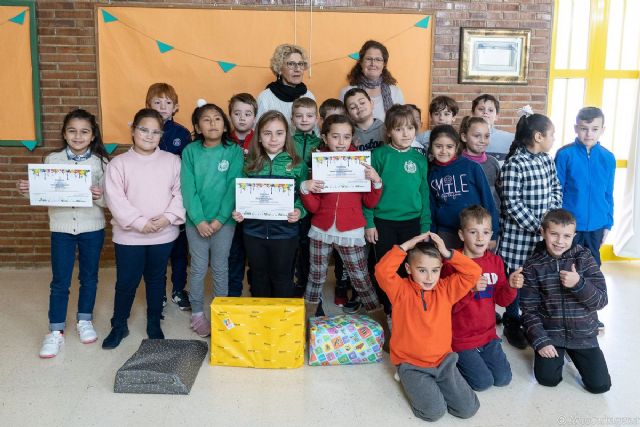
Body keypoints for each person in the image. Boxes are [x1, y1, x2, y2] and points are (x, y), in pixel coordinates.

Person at [17, 109, 109, 358]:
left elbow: (111, 201)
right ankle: (55, 330)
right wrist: (27, 188)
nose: (78, 136)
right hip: (61, 229)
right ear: (64, 134)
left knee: (89, 277)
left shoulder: (101, 163)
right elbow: (43, 193)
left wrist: (101, 197)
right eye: (72, 131)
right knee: (60, 281)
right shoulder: (52, 160)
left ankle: (84, 319)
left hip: (92, 228)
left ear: (92, 136)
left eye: (84, 131)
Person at [300, 114, 390, 346]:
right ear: (325, 137)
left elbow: (370, 202)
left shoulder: (360, 162)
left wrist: (376, 180)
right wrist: (306, 189)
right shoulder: (319, 161)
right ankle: (302, 330)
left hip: (350, 229)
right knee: (316, 277)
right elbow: (314, 206)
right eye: (335, 136)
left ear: (353, 137)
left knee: (361, 278)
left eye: (346, 136)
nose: (340, 141)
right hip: (321, 227)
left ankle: (382, 331)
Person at [375, 232, 481, 422]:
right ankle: (405, 376)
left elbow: (473, 272)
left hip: (444, 361)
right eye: (422, 270)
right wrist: (405, 246)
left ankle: (436, 384)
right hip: (411, 365)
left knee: (468, 409)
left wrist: (448, 253)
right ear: (408, 268)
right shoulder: (400, 290)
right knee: (434, 413)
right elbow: (382, 271)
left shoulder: (446, 289)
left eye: (435, 270)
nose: (429, 277)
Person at [102, 109, 185, 349]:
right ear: (133, 130)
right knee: (127, 281)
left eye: (155, 131)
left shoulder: (172, 161)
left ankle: (153, 323)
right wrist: (140, 222)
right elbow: (115, 199)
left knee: (156, 279)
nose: (149, 136)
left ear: (162, 134)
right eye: (143, 130)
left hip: (163, 233)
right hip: (129, 236)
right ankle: (119, 324)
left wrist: (168, 218)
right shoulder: (118, 164)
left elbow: (180, 193)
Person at [519, 209, 611, 394]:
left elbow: (601, 300)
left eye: (567, 236)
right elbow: (529, 310)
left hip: (583, 335)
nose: (560, 241)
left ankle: (572, 353)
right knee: (547, 379)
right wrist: (541, 341)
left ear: (574, 236)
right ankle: (558, 351)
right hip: (551, 334)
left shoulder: (584, 258)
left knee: (600, 386)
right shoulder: (532, 265)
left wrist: (578, 284)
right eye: (554, 234)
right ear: (543, 232)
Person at [497, 112, 562, 349]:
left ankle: (533, 321)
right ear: (538, 136)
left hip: (543, 236)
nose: (554, 138)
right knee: (517, 279)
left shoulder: (546, 160)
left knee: (536, 280)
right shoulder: (514, 164)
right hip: (519, 239)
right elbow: (511, 203)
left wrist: (551, 225)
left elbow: (556, 188)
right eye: (552, 134)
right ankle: (512, 321)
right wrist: (539, 227)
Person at [181, 102, 244, 338]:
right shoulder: (190, 151)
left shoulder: (234, 151)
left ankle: (221, 310)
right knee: (197, 268)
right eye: (206, 120)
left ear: (225, 123)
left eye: (217, 118)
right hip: (195, 222)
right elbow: (188, 189)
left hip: (224, 222)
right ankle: (197, 312)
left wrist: (219, 220)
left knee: (220, 267)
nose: (212, 123)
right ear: (197, 126)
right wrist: (198, 220)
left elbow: (233, 187)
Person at [232, 110, 307, 298]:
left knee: (282, 276)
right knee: (258, 276)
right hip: (253, 231)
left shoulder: (297, 164)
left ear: (286, 136)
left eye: (279, 133)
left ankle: (281, 321)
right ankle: (261, 321)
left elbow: (304, 196)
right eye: (267, 133)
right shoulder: (249, 164)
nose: (273, 139)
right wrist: (238, 211)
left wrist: (299, 210)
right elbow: (240, 196)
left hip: (285, 232)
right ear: (258, 137)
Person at [364, 104, 430, 314]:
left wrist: (425, 226)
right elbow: (367, 192)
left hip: (412, 222)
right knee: (386, 268)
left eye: (410, 128)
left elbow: (424, 194)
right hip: (384, 222)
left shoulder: (419, 158)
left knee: (409, 266)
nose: (405, 133)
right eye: (399, 129)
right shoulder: (378, 155)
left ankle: (408, 307)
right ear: (389, 131)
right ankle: (389, 309)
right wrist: (369, 222)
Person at [446, 206, 520, 391]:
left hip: (487, 335)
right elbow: (445, 306)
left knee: (503, 379)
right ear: (462, 235)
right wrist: (469, 289)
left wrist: (511, 286)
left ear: (491, 235)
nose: (480, 238)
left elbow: (502, 301)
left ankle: (479, 355)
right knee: (482, 383)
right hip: (460, 338)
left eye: (485, 232)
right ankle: (451, 360)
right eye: (473, 232)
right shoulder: (451, 263)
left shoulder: (495, 262)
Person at [145, 83, 192, 310]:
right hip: (151, 200)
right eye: (157, 102)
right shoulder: (143, 132)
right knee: (157, 252)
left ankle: (178, 290)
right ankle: (158, 292)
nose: (162, 106)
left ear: (176, 107)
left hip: (176, 200)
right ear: (148, 106)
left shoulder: (182, 134)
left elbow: (188, 170)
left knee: (179, 251)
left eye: (168, 102)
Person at [555, 107, 615, 267]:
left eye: (594, 129)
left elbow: (608, 193)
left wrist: (608, 223)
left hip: (597, 225)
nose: (589, 134)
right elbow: (556, 191)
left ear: (602, 130)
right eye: (584, 129)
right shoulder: (564, 155)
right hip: (569, 225)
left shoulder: (608, 158)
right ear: (576, 128)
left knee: (592, 268)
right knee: (566, 266)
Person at [427, 125, 499, 250]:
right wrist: (432, 234)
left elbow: (488, 201)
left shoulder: (472, 167)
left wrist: (493, 234)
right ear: (431, 147)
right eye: (438, 146)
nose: (444, 151)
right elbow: (431, 208)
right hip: (447, 232)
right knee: (449, 267)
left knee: (475, 267)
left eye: (449, 147)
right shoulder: (431, 173)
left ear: (457, 147)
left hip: (476, 230)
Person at [227, 93, 258, 297]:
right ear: (230, 115)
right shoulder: (223, 141)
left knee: (255, 254)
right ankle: (233, 293)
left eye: (247, 113)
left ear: (254, 117)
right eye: (237, 113)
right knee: (233, 253)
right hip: (229, 207)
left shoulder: (260, 139)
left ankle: (257, 291)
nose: (242, 118)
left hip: (255, 207)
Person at [290, 97, 321, 297]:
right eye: (299, 116)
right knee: (293, 244)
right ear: (292, 119)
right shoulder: (288, 141)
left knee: (309, 245)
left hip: (314, 201)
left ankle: (306, 282)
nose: (304, 120)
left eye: (309, 116)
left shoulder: (321, 143)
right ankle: (293, 281)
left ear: (317, 119)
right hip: (291, 200)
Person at [339, 40, 404, 121]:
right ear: (361, 62)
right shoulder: (346, 92)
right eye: (369, 59)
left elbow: (401, 123)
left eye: (378, 59)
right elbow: (341, 123)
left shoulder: (395, 92)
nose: (373, 63)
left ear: (384, 65)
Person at [256, 44, 315, 124]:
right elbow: (258, 131)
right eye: (291, 64)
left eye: (300, 64)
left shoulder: (308, 96)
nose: (297, 69)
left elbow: (314, 132)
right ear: (279, 68)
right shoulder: (265, 98)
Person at [459, 116, 501, 214]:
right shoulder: (456, 164)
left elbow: (499, 193)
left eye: (486, 136)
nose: (483, 140)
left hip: (491, 220)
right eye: (477, 136)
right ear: (464, 137)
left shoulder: (493, 162)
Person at [471, 94, 514, 164]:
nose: (485, 112)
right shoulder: (464, 138)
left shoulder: (510, 139)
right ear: (473, 113)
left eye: (490, 110)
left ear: (496, 116)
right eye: (481, 109)